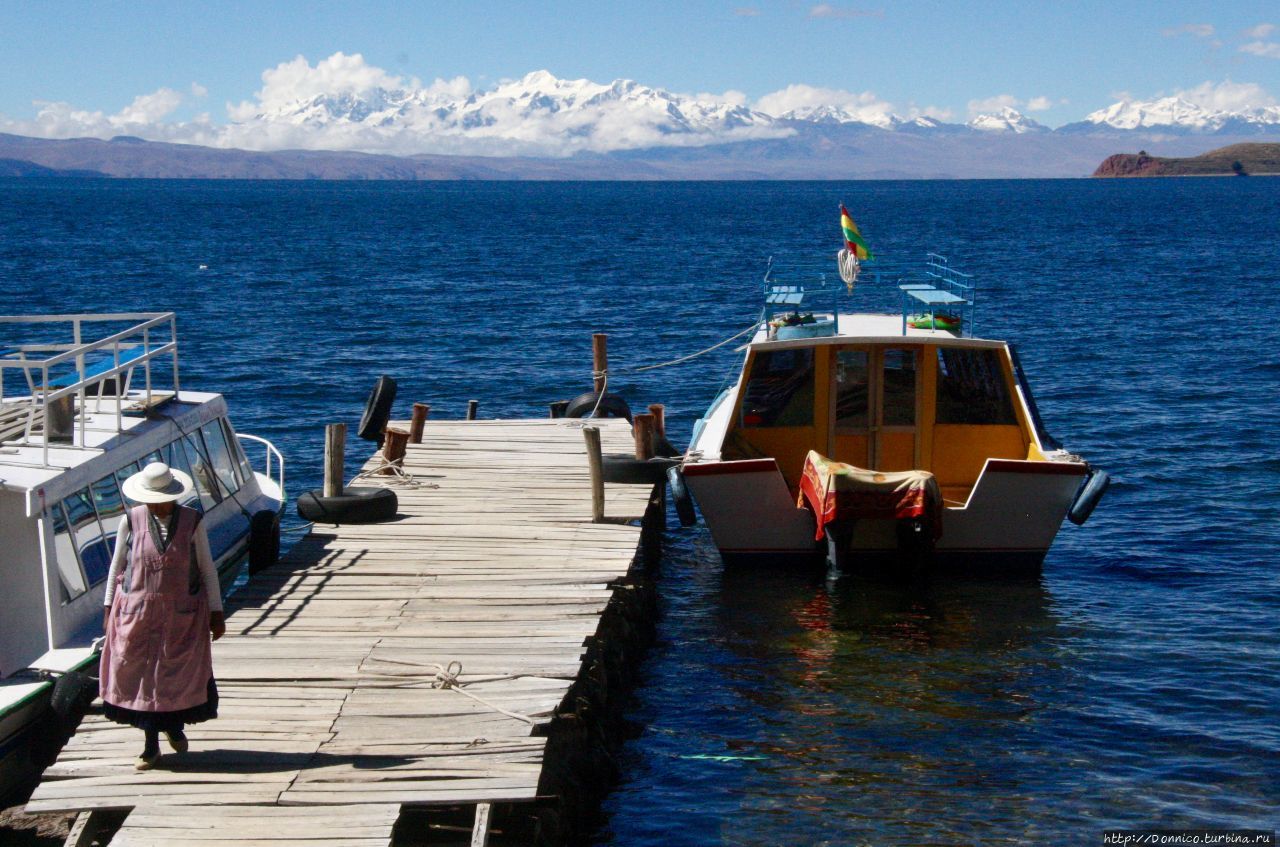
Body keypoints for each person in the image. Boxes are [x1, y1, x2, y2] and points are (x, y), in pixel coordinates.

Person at [100, 461, 226, 770]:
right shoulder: (130, 521)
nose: (156, 507)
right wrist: (107, 609)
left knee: (174, 673)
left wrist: (216, 611)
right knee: (141, 676)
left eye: (161, 500)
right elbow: (117, 567)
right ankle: (150, 746)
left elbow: (207, 568)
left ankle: (172, 725)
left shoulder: (192, 522)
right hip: (137, 614)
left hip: (180, 616)